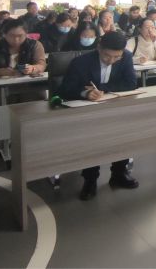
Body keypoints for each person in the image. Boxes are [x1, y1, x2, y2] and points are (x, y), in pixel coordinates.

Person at [59, 31, 139, 200]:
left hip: (115, 109)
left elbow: (131, 83)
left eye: (116, 57)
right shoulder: (80, 62)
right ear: (99, 48)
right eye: (107, 56)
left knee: (123, 132)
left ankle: (119, 173)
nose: (111, 60)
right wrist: (85, 93)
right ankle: (90, 179)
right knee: (93, 138)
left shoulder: (126, 57)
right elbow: (66, 89)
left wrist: (102, 88)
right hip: (88, 113)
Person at [0, 18, 47, 133]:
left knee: (36, 100)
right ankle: (5, 138)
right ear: (4, 34)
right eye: (12, 36)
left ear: (26, 33)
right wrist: (2, 71)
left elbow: (41, 64)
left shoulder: (35, 45)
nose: (16, 39)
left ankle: (32, 133)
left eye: (20, 36)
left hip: (29, 85)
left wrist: (33, 68)